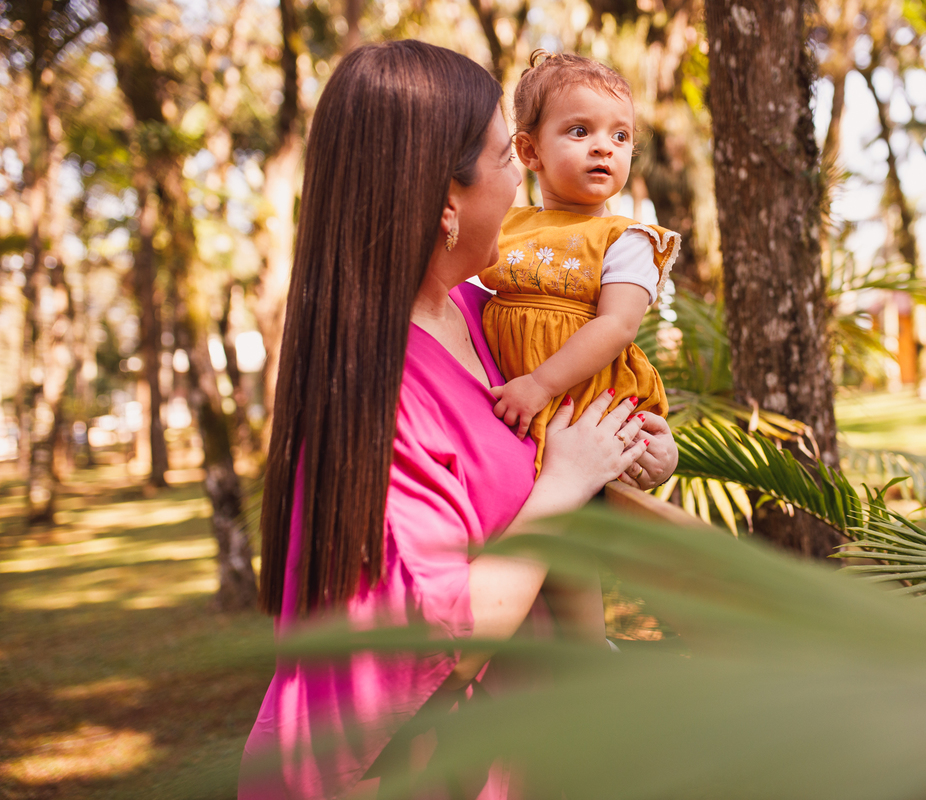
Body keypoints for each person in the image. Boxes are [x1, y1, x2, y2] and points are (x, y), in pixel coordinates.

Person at [238, 41, 677, 800]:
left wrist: (636, 445)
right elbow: (441, 635)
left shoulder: (485, 317)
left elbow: (564, 411)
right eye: (509, 156)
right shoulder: (381, 390)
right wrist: (566, 482)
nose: (521, 182)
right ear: (446, 197)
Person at [480, 52, 681, 474]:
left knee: (636, 458)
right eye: (579, 130)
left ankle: (652, 461)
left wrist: (539, 385)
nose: (604, 146)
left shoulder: (627, 240)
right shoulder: (508, 224)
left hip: (582, 398)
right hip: (516, 401)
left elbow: (617, 326)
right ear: (529, 151)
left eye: (621, 136)